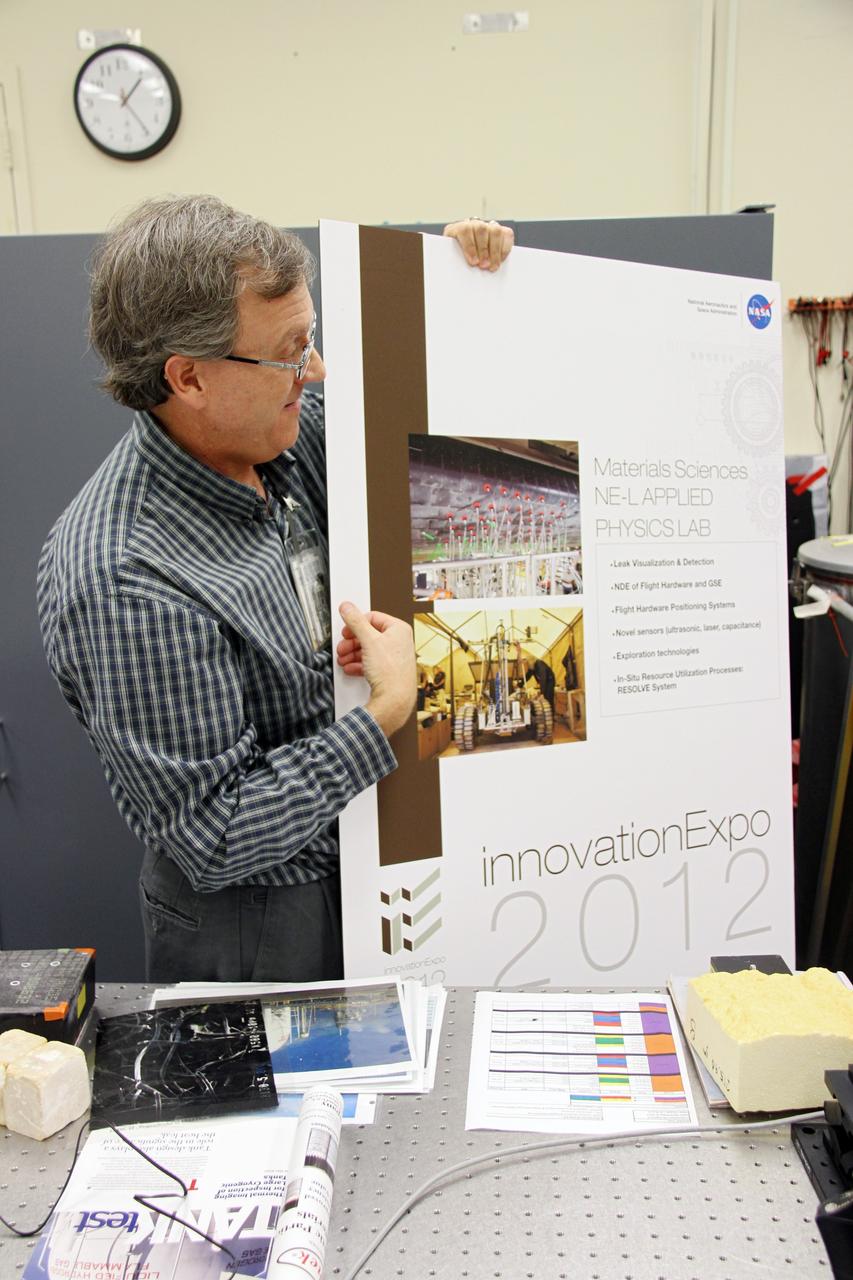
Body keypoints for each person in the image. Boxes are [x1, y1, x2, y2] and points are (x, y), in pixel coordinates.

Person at [37, 195, 513, 983]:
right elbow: (215, 834)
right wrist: (386, 714)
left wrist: (464, 283)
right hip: (258, 923)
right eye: (290, 352)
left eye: (311, 339)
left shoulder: (291, 436)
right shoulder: (123, 573)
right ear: (187, 377)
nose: (315, 371)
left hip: (377, 863)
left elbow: (445, 429)